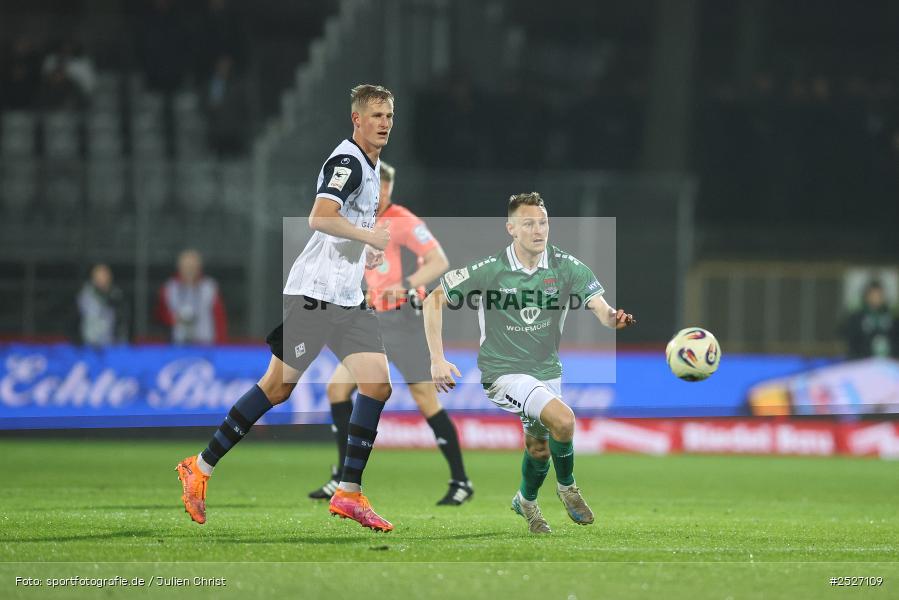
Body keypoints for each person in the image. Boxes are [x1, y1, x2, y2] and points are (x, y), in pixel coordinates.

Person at [176, 84, 397, 532]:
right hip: (315, 293)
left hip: (347, 295)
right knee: (277, 388)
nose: (384, 122)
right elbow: (319, 216)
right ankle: (198, 468)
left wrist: (365, 252)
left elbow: (344, 228)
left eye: (389, 115)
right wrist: (370, 238)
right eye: (375, 115)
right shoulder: (347, 162)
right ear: (356, 119)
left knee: (377, 384)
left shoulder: (372, 168)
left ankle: (348, 493)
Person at [423, 192, 635, 534]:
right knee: (564, 421)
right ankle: (568, 488)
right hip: (502, 374)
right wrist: (437, 358)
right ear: (511, 228)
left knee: (539, 448)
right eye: (529, 223)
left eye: (543, 222)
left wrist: (614, 319)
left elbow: (601, 309)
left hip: (547, 372)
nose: (539, 230)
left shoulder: (567, 266)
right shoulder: (490, 270)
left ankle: (526, 501)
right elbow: (434, 299)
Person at [308, 161, 474, 506]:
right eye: (376, 187)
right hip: (366, 319)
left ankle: (461, 480)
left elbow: (438, 261)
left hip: (398, 321)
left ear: (390, 190)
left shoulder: (400, 219)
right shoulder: (356, 219)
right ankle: (341, 476)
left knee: (426, 400)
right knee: (337, 390)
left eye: (385, 188)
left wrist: (405, 285)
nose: (380, 193)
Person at [156, 249, 227, 345]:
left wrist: (221, 344)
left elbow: (219, 319)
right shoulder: (170, 287)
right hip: (178, 343)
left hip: (205, 343)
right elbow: (160, 314)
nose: (189, 270)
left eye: (192, 266)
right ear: (179, 267)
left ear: (199, 267)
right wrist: (172, 319)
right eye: (186, 266)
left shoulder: (209, 287)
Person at [76, 264, 128, 347]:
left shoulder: (117, 295)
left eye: (105, 275)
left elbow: (122, 319)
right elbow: (78, 318)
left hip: (112, 343)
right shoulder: (85, 295)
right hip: (89, 344)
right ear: (93, 277)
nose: (102, 278)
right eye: (99, 275)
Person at [845, 280, 898, 359]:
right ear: (867, 296)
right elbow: (852, 342)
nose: (876, 298)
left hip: (888, 361)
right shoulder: (857, 318)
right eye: (873, 295)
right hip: (864, 362)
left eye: (879, 295)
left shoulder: (891, 317)